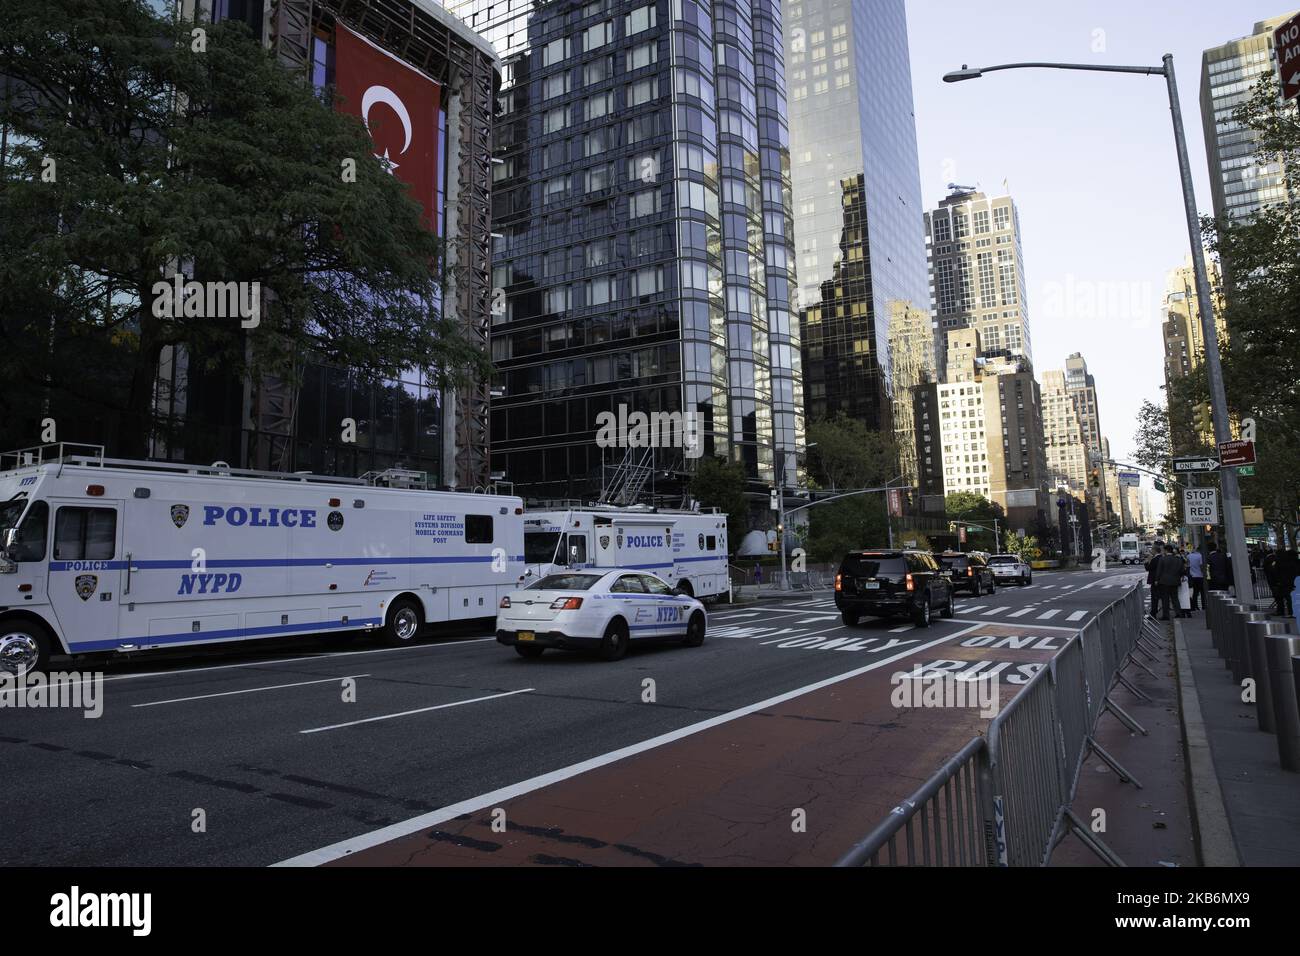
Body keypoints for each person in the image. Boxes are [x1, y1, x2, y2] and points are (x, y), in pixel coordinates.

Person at [1153, 545, 1184, 621]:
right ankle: (1178, 613)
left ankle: (1166, 615)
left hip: (1164, 581)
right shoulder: (1178, 559)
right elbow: (1182, 570)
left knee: (1165, 599)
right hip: (1175, 581)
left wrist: (1156, 580)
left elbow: (1159, 570)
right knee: (1175, 598)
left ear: (1166, 550)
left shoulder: (1162, 559)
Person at [1146, 543, 1163, 618]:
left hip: (1155, 580)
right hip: (1161, 580)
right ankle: (1162, 612)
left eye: (1152, 549)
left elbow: (1149, 568)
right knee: (1162, 597)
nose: (1150, 551)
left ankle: (1153, 612)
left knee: (1154, 597)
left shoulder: (1155, 559)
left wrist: (1148, 561)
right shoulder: (1161, 557)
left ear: (1155, 550)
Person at [1187, 546, 1205, 611]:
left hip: (1193, 576)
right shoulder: (1200, 556)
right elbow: (1201, 566)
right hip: (1200, 576)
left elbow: (1188, 565)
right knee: (1202, 592)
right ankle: (1204, 606)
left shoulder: (1188, 556)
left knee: (1195, 592)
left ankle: (1194, 606)